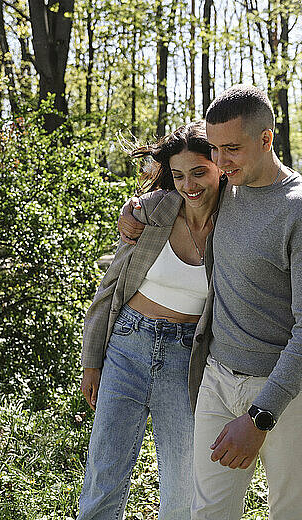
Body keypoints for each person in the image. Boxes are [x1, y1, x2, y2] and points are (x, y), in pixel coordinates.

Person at [119, 85, 302, 520]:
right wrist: (135, 207)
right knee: (209, 512)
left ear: (266, 138)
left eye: (232, 149)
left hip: (287, 393)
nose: (220, 163)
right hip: (218, 381)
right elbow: (181, 191)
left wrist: (260, 417)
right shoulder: (227, 190)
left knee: (290, 513)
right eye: (215, 149)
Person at [77, 122, 224, 520]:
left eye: (198, 172)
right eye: (178, 175)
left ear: (219, 166)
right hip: (126, 345)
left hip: (185, 360)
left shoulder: (235, 223)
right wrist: (92, 363)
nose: (188, 185)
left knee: (181, 487)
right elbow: (109, 290)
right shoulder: (154, 210)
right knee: (103, 478)